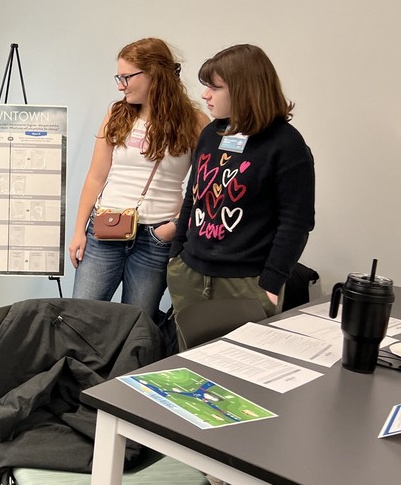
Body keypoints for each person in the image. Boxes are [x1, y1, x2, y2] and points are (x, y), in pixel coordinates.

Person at [168, 43, 315, 323]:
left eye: (215, 87)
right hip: (190, 274)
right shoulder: (211, 134)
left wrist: (272, 283)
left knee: (240, 366)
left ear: (244, 90)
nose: (205, 95)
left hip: (246, 283)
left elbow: (296, 222)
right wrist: (177, 253)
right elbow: (193, 196)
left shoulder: (286, 144)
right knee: (188, 363)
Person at [69, 38, 208, 316]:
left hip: (156, 238)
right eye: (118, 77)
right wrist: (78, 231)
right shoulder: (117, 114)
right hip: (106, 229)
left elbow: (204, 189)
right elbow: (96, 177)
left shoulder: (194, 122)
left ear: (154, 73)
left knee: (137, 324)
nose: (120, 85)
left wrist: (172, 227)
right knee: (80, 317)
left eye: (126, 77)